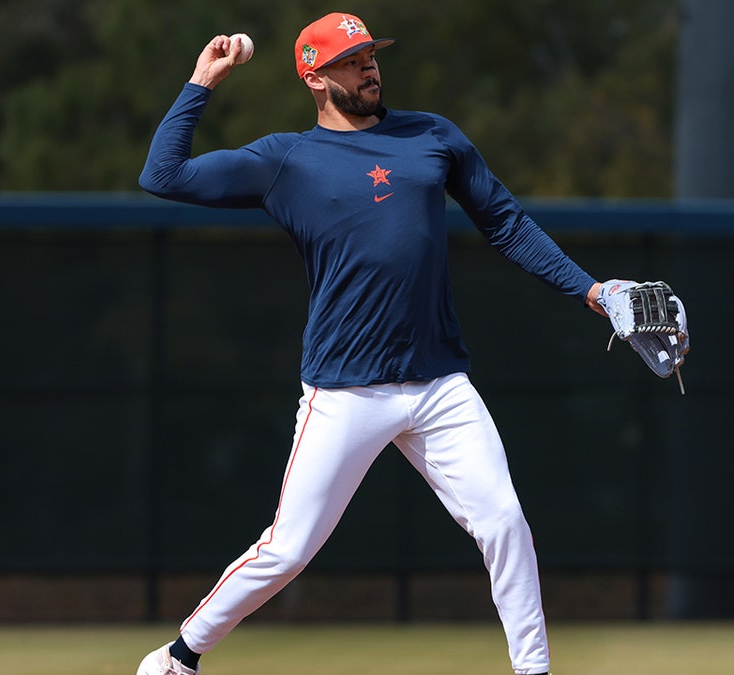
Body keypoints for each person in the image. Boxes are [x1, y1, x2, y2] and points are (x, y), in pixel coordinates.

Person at [135, 12, 607, 675]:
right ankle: (177, 657)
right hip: (344, 391)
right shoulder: (284, 160)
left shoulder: (430, 136)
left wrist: (594, 291)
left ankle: (534, 669)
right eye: (352, 59)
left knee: (504, 520)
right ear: (315, 76)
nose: (369, 67)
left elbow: (506, 222)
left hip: (440, 382)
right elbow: (162, 175)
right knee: (288, 548)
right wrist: (200, 84)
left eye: (370, 55)